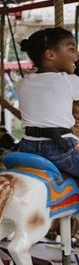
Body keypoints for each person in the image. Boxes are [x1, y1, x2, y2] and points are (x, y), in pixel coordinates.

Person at [15, 27, 79, 177]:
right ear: (50, 55)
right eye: (71, 49)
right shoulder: (68, 81)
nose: (76, 55)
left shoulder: (24, 82)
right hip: (59, 148)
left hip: (27, 146)